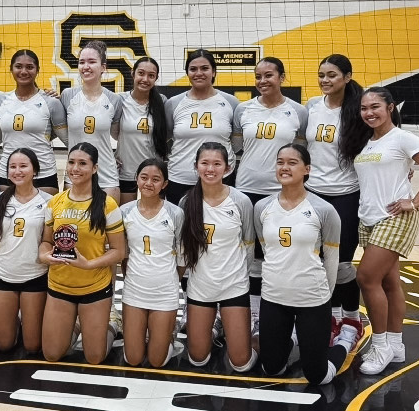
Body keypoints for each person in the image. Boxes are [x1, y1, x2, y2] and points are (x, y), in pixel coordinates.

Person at [345, 87, 419, 375]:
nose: (369, 113)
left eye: (375, 106)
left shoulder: (403, 137)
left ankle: (380, 345)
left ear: (390, 107)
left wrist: (414, 202)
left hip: (395, 216)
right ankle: (396, 343)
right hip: (368, 218)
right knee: (389, 283)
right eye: (364, 108)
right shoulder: (366, 141)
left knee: (366, 277)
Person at [255, 145, 361, 385]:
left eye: (292, 162)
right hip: (273, 298)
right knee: (272, 369)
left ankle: (345, 340)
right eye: (280, 162)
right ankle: (292, 337)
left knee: (318, 376)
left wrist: (325, 296)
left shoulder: (324, 210)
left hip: (312, 300)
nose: (285, 167)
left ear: (307, 169)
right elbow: (267, 250)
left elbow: (332, 260)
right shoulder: (262, 207)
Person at [232, 56, 308, 334]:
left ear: (282, 77)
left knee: (280, 253)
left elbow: (300, 151)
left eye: (268, 75)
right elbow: (237, 146)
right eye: (258, 76)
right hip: (247, 189)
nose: (262, 81)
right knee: (249, 256)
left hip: (282, 193)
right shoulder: (243, 109)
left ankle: (283, 311)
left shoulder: (298, 112)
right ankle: (253, 315)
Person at [40, 142, 126, 364]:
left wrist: (88, 264)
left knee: (94, 357)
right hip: (60, 286)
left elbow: (119, 251)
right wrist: (44, 255)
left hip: (94, 287)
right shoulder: (55, 202)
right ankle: (77, 325)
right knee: (52, 355)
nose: (75, 168)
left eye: (82, 164)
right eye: (71, 162)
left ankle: (112, 323)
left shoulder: (108, 205)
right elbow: (46, 241)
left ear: (95, 168)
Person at [179, 143, 257, 372]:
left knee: (240, 363)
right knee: (198, 358)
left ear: (228, 168)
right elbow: (184, 250)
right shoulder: (187, 202)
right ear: (196, 166)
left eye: (216, 163)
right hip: (201, 287)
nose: (210, 169)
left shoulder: (241, 201)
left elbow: (249, 246)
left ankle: (256, 336)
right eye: (204, 163)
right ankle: (215, 326)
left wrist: (239, 278)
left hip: (233, 286)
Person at [305, 54, 364, 341]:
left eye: (332, 75)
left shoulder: (358, 110)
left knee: (341, 265)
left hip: (346, 194)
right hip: (313, 193)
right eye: (322, 75)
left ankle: (352, 318)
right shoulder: (312, 107)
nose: (325, 80)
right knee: (317, 262)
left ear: (347, 77)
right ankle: (328, 317)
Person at [120, 159, 184, 367]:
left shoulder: (175, 213)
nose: (149, 183)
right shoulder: (125, 212)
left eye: (156, 179)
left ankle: (169, 333)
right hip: (134, 290)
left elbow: (182, 258)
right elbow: (123, 255)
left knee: (157, 361)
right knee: (133, 359)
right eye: (144, 177)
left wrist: (171, 281)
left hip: (165, 290)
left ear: (164, 184)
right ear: (137, 179)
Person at [0, 148, 49, 352]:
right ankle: (9, 319)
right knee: (3, 344)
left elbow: (49, 241)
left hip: (35, 276)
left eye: (23, 166)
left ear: (35, 170)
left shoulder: (48, 202)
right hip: (3, 275)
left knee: (33, 346)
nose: (17, 171)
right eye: (12, 167)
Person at [165, 49, 238, 205]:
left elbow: (236, 141)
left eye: (204, 68)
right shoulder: (174, 103)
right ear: (187, 73)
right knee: (181, 227)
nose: (199, 73)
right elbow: (165, 138)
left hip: (221, 178)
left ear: (214, 72)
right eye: (193, 69)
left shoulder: (231, 102)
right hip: (180, 178)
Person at [0, 49, 67, 195]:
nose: (23, 71)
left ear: (37, 70)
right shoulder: (2, 101)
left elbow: (68, 139)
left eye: (29, 67)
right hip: (8, 173)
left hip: (43, 173)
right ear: (11, 69)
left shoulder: (51, 102)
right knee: (8, 217)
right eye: (18, 66)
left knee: (43, 218)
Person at [60, 40, 122, 201]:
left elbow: (116, 135)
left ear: (103, 67)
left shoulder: (114, 100)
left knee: (106, 224)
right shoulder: (67, 95)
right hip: (75, 172)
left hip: (106, 174)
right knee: (73, 225)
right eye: (82, 62)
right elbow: (60, 131)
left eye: (92, 62)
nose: (85, 66)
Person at [116, 56, 171, 204]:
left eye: (151, 76)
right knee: (126, 217)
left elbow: (168, 134)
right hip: (126, 171)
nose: (145, 79)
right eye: (141, 73)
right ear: (133, 73)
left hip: (154, 172)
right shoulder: (119, 100)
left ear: (156, 78)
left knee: (154, 217)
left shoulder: (163, 102)